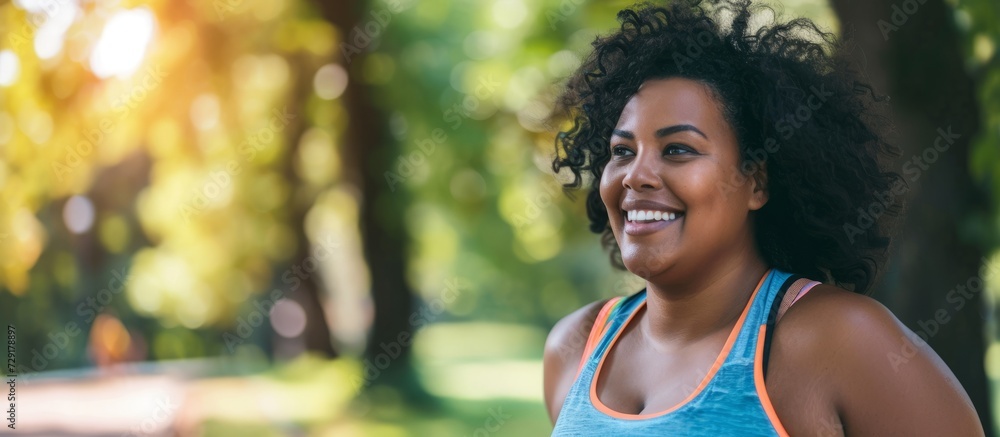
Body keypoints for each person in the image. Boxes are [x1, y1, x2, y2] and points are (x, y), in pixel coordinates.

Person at [542, 0, 986, 435]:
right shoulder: (576, 346)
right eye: (622, 151)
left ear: (756, 184)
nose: (636, 175)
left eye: (678, 149)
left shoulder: (841, 342)